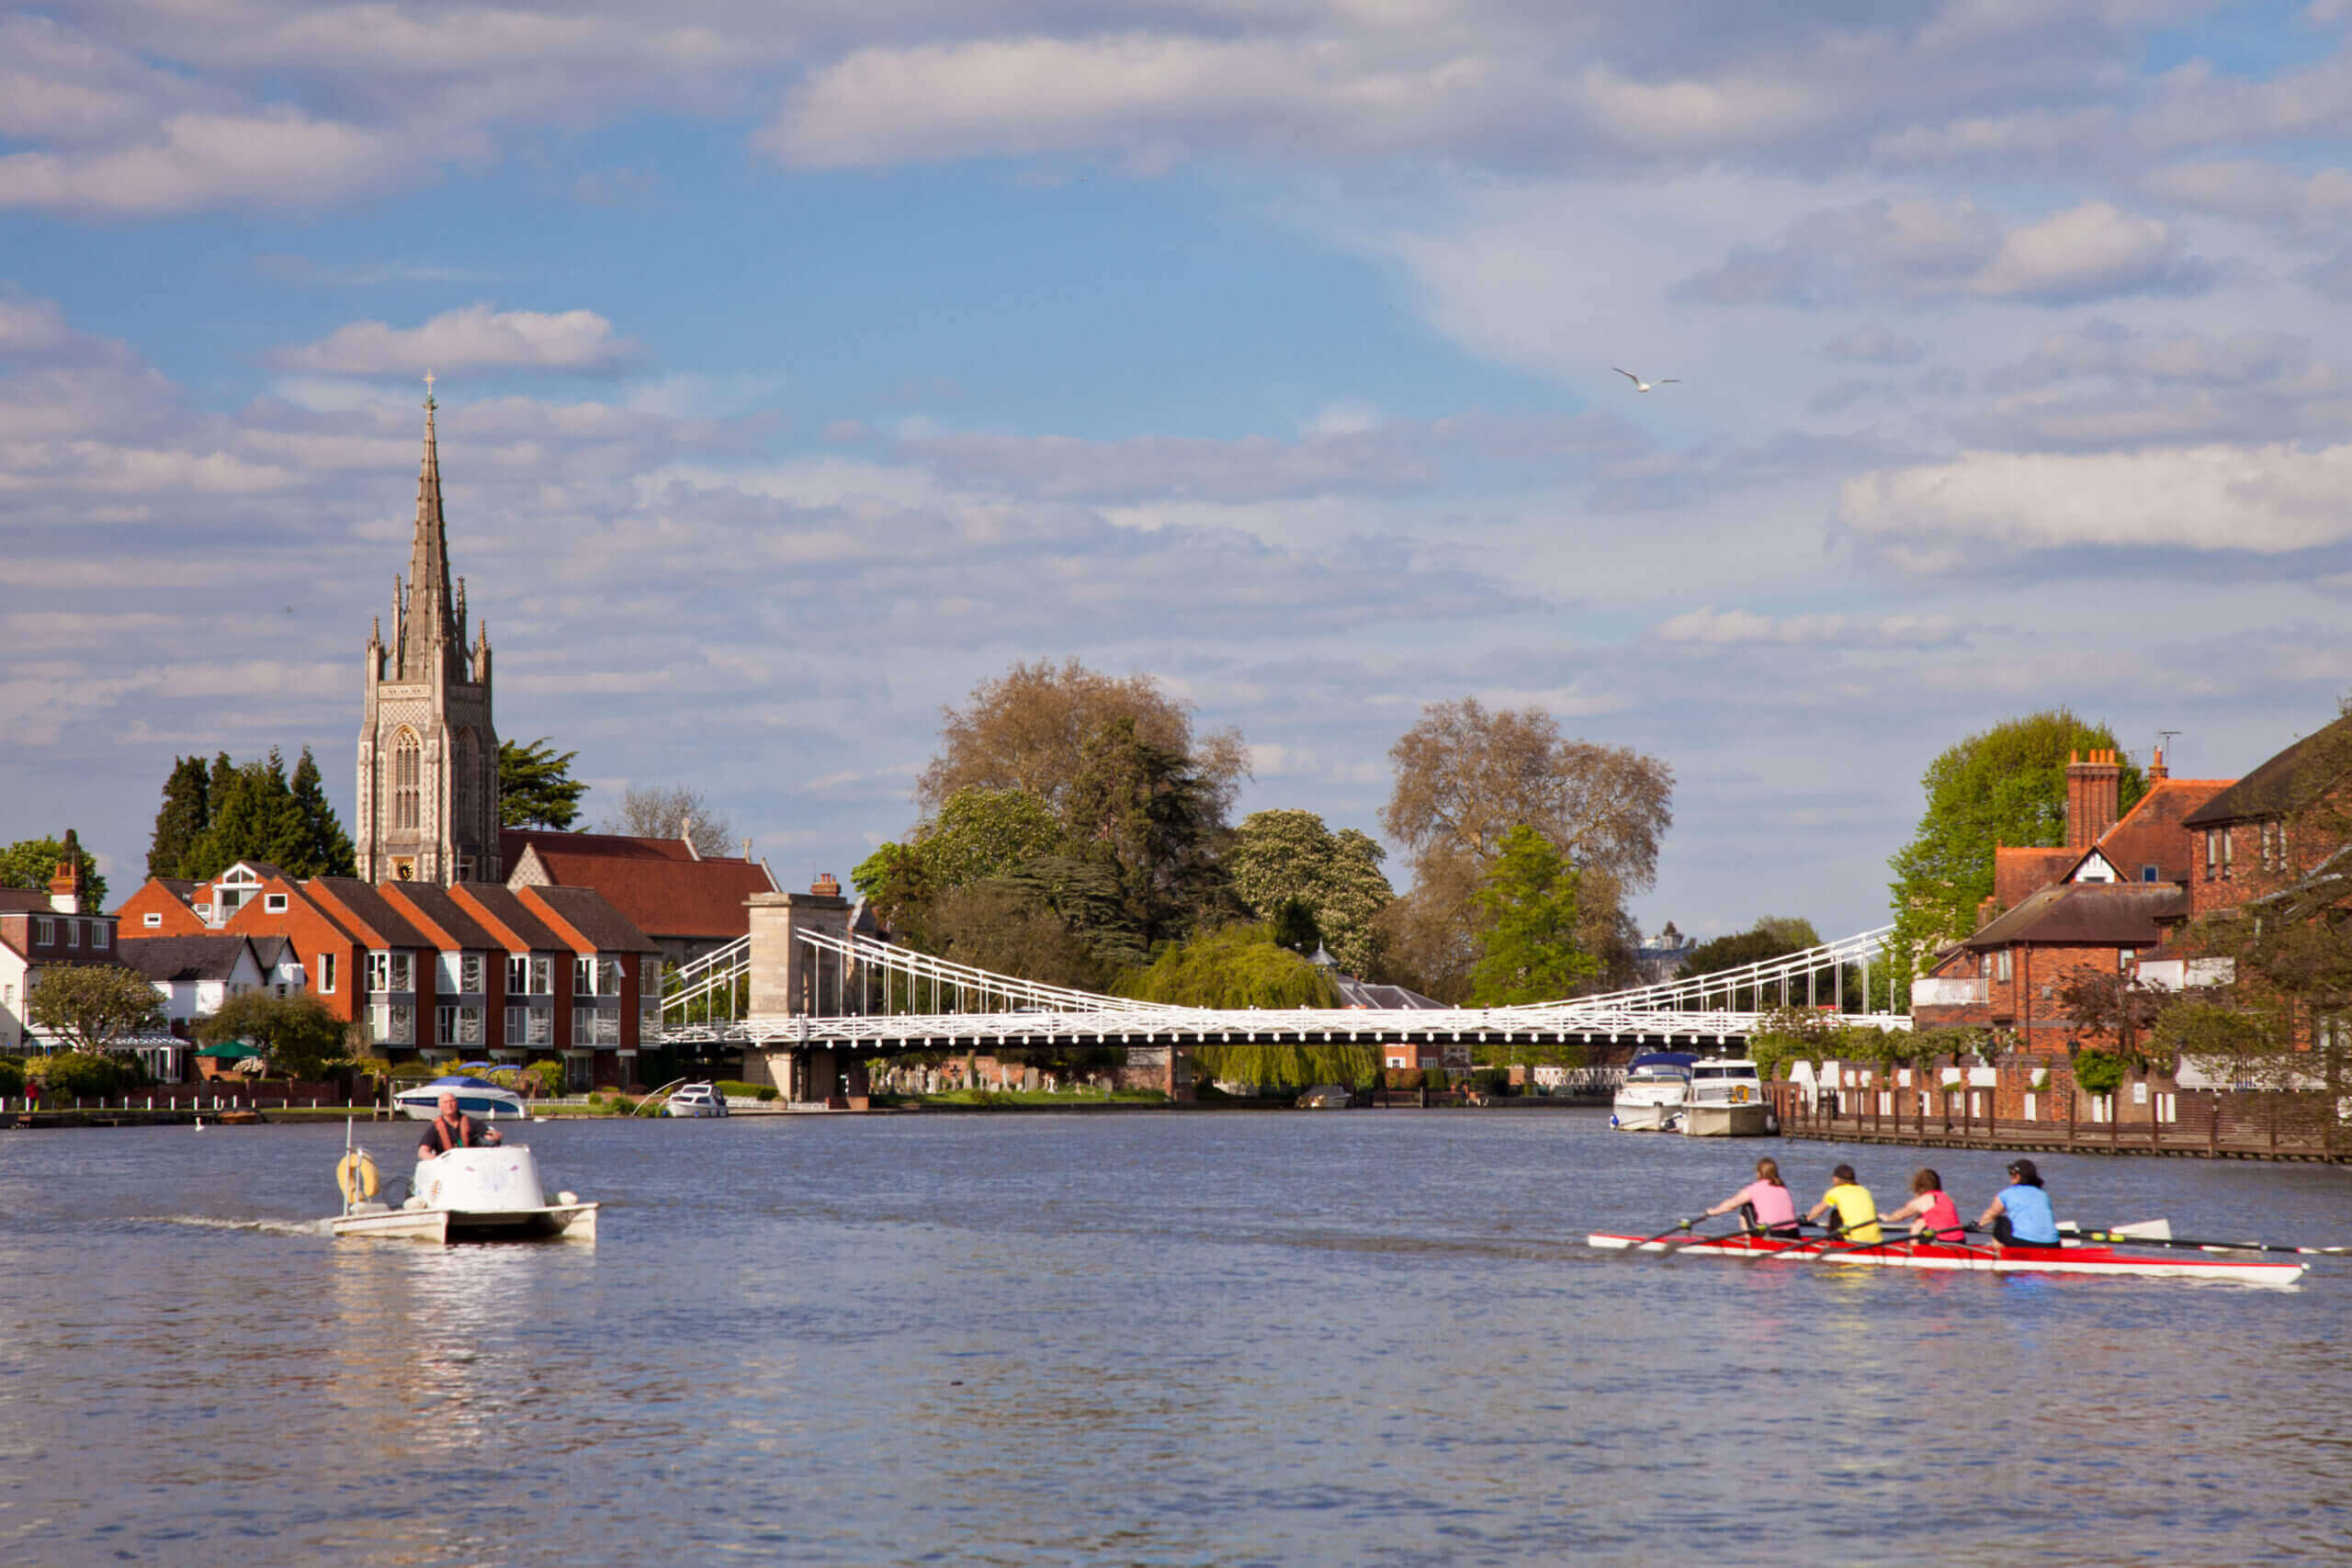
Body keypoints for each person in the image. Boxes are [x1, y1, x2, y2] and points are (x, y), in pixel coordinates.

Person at [1701, 1156, 1804, 1239]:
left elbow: (1732, 1204)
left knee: (1746, 1207)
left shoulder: (1755, 1188)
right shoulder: (1782, 1187)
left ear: (1759, 1173)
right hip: (1794, 1233)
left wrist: (1713, 1212)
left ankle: (1749, 1242)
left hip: (1771, 1234)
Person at [1977, 1157, 2061, 1248]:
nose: (2010, 1176)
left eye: (2011, 1173)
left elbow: (1989, 1216)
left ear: (2018, 1176)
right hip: (2054, 1244)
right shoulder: (2044, 1195)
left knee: (2001, 1221)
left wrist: (1977, 1226)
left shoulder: (2007, 1193)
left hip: (2023, 1243)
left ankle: (1999, 1256)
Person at [1806, 1163, 1882, 1244]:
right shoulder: (1864, 1190)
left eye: (1833, 1177)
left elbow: (1817, 1212)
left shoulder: (1835, 1191)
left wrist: (1806, 1219)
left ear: (1837, 1178)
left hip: (1855, 1240)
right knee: (1837, 1213)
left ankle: (1833, 1243)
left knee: (1834, 1214)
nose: (1832, 1179)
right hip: (1876, 1239)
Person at [1883, 1168, 1965, 1242]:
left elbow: (1899, 1216)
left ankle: (1913, 1252)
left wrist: (1887, 1218)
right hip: (1961, 1240)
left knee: (1917, 1224)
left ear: (1918, 1186)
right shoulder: (1947, 1197)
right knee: (1922, 1219)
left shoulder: (1922, 1201)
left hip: (1940, 1241)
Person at [417, 1091, 503, 1160]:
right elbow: (422, 1152)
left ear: (456, 1104)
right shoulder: (435, 1129)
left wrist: (494, 1136)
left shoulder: (471, 1122)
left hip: (471, 1164)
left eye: (452, 1101)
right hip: (447, 1167)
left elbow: (487, 1134)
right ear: (440, 1107)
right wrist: (437, 1161)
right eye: (445, 1102)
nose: (449, 1105)